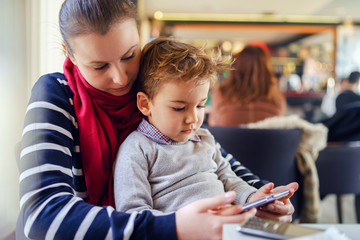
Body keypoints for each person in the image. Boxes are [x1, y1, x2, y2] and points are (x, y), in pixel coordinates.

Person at [17, 0, 297, 239]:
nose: (121, 78)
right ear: (70, 56)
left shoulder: (148, 84)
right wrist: (172, 227)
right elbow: (41, 216)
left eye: (129, 55)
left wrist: (262, 198)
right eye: (99, 66)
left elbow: (214, 159)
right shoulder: (56, 93)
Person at [114, 38, 297, 216]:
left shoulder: (204, 138)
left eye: (200, 106)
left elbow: (229, 179)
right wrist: (180, 225)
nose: (193, 118)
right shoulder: (137, 150)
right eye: (179, 108)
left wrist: (253, 197)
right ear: (145, 104)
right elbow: (134, 213)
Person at [208, 45, 286, 126]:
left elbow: (213, 126)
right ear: (267, 69)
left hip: (228, 138)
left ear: (235, 69)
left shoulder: (220, 94)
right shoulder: (278, 98)